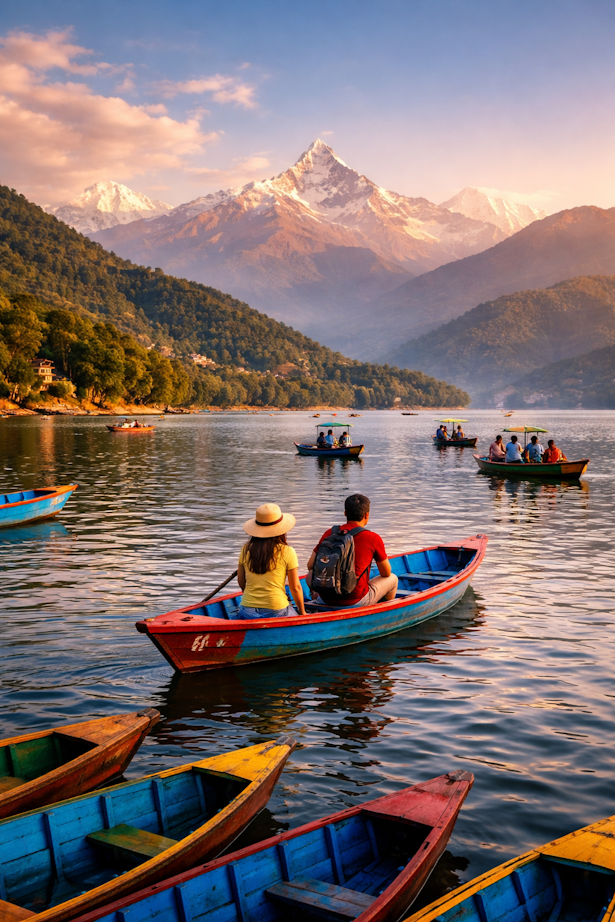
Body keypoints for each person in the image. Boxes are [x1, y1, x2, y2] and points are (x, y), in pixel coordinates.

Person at [307, 493, 398, 608]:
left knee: (311, 574)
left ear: (345, 513)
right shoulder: (373, 538)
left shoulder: (329, 533)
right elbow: (386, 573)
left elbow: (310, 565)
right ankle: (381, 611)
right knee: (393, 578)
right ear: (366, 515)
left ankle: (316, 597)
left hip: (325, 598)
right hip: (355, 601)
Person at [237, 503, 306, 619]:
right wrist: (302, 612)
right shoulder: (288, 551)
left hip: (247, 610)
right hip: (277, 610)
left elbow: (241, 582)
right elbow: (295, 588)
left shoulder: (245, 549)